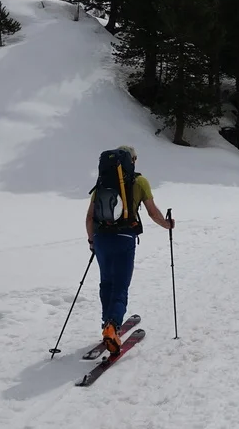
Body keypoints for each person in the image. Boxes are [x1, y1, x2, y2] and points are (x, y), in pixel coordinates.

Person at [86, 145, 174, 354]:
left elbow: (90, 217)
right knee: (121, 285)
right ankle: (112, 326)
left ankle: (106, 322)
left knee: (106, 282)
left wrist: (92, 242)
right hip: (124, 238)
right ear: (131, 160)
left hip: (101, 238)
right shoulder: (139, 181)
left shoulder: (100, 184)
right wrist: (167, 225)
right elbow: (152, 212)